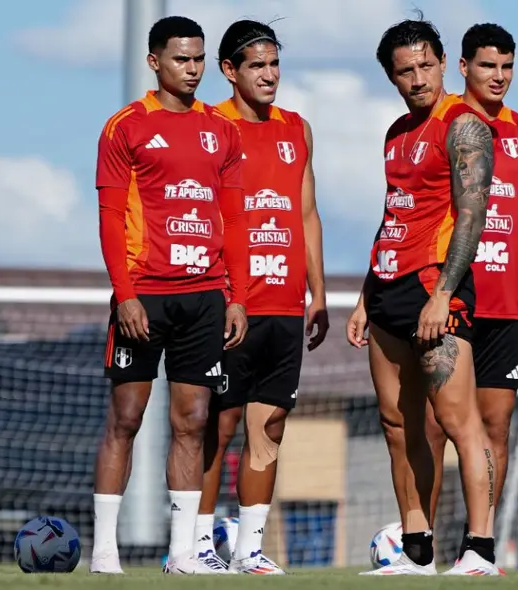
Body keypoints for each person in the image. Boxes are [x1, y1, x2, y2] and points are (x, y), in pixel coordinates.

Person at [91, 15, 250, 575]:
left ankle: (183, 552)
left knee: (194, 419)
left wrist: (235, 296)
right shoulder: (125, 127)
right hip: (145, 296)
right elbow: (111, 219)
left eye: (199, 58)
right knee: (126, 418)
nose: (193, 68)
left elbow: (232, 218)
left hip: (205, 296)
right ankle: (105, 552)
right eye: (182, 58)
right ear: (155, 61)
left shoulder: (221, 130)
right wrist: (125, 293)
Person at [345, 14, 498, 576]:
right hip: (386, 290)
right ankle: (416, 548)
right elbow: (393, 215)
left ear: (442, 63)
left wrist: (443, 293)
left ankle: (479, 549)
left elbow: (472, 216)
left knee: (459, 421)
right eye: (405, 71)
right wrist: (366, 294)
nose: (418, 79)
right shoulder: (395, 132)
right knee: (396, 423)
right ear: (392, 76)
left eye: (426, 65)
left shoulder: (464, 126)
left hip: (436, 287)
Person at [193, 19, 330, 575]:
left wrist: (318, 292)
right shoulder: (207, 126)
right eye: (257, 65)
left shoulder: (297, 128)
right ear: (229, 70)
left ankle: (248, 548)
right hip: (229, 303)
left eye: (275, 64)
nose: (270, 75)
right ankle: (197, 544)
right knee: (216, 427)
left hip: (284, 302)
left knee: (269, 427)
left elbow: (306, 213)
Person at [439, 22, 518, 572]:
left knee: (495, 427)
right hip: (447, 300)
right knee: (433, 424)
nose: (499, 77)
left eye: (507, 66)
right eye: (488, 65)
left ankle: (478, 545)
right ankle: (416, 542)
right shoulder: (440, 125)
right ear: (462, 67)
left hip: (509, 305)